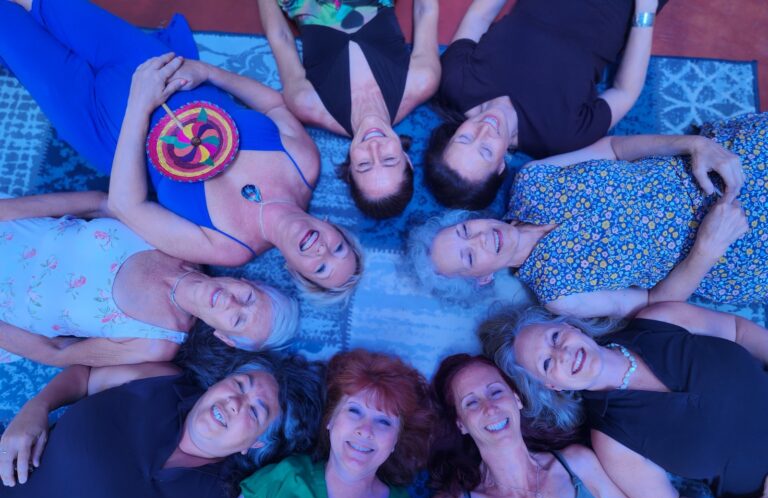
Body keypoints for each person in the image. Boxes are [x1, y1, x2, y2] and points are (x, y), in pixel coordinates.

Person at [0, 0, 363, 302]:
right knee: (49, 4)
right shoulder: (304, 165)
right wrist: (207, 72)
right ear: (335, 228)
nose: (322, 252)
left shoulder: (229, 249)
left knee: (8, 25)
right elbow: (275, 107)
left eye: (320, 269)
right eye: (339, 249)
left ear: (295, 272)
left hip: (100, 123)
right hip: (153, 64)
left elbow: (128, 206)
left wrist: (140, 105)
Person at [0, 349, 326, 498]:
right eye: (239, 385)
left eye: (255, 412)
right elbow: (85, 377)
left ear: (255, 445)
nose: (235, 402)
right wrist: (37, 407)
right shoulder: (163, 383)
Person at [407, 113, 761, 318]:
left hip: (712, 162)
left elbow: (613, 148)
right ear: (480, 279)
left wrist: (693, 145)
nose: (480, 239)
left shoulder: (531, 179)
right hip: (734, 246)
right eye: (470, 256)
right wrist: (706, 250)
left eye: (466, 229)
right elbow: (657, 304)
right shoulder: (558, 293)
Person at [480, 301, 768, 498]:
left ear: (569, 326)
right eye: (546, 363)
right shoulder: (611, 442)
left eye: (554, 338)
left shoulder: (659, 320)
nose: (563, 353)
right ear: (551, 386)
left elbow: (737, 330)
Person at [202, 349, 441, 498]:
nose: (365, 430)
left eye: (384, 422)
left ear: (396, 441)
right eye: (354, 411)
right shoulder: (273, 487)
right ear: (331, 420)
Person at [429, 353, 669, 498]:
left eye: (496, 392)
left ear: (516, 398)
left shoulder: (579, 465)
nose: (490, 408)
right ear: (460, 423)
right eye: (471, 403)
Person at [0, 191, 298, 366]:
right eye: (247, 298)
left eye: (237, 320)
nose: (231, 303)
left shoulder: (156, 343)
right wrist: (6, 211)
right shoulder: (184, 243)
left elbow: (58, 352)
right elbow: (103, 204)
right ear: (247, 282)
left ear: (224, 337)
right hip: (13, 226)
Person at [425, 0, 663, 209]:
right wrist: (646, 10)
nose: (483, 131)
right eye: (486, 150)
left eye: (464, 139)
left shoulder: (456, 83)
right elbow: (625, 91)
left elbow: (480, 16)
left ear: (451, 134)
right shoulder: (561, 136)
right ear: (500, 167)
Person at [258, 0, 440, 219]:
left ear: (350, 171)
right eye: (389, 160)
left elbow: (280, 37)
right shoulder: (421, 81)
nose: (374, 148)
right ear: (408, 160)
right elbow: (425, 9)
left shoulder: (308, 103)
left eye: (364, 164)